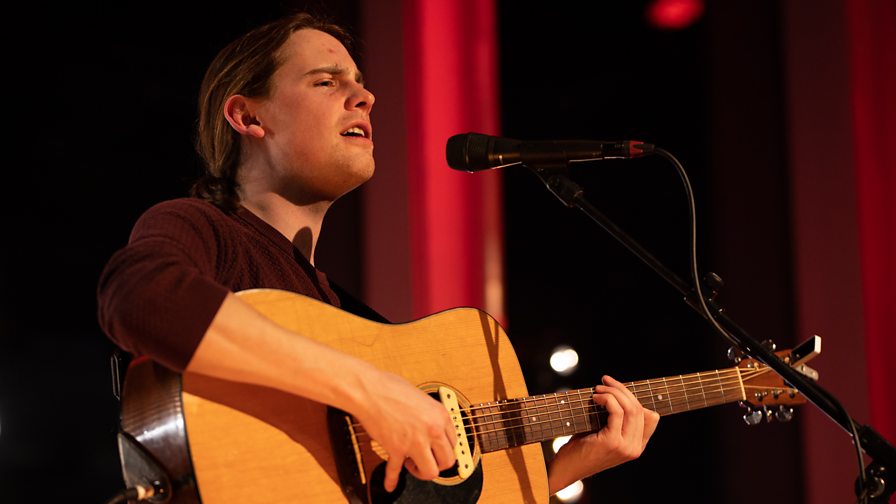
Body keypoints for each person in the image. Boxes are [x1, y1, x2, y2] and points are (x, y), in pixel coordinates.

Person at [97, 11, 660, 498]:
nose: (366, 96)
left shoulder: (336, 311)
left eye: (360, 83)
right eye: (326, 81)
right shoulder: (205, 228)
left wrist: (564, 468)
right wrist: (367, 388)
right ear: (248, 117)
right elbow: (138, 297)